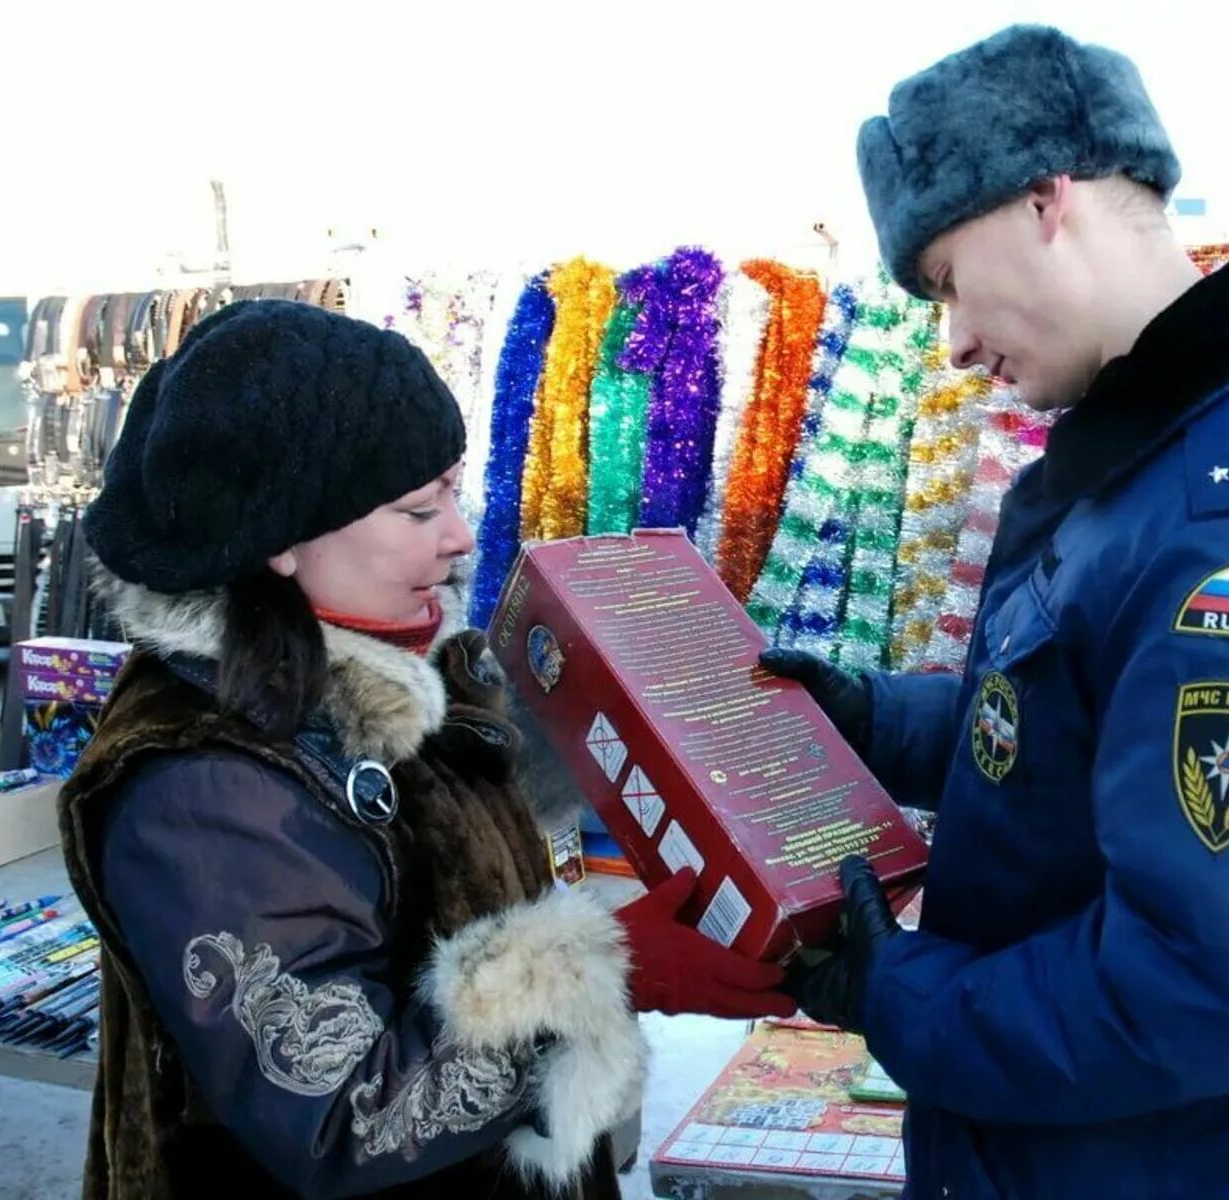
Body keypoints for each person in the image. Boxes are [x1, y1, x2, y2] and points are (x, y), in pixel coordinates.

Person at [765, 24, 1229, 1199]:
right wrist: (874, 721)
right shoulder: (1149, 463)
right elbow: (1088, 742)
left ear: (1044, 198)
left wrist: (900, 995)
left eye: (946, 280)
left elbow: (1207, 983)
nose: (949, 343)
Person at [61, 300, 795, 1200]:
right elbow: (340, 1110)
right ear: (282, 541)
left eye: (452, 490)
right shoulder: (201, 781)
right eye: (419, 508)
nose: (457, 535)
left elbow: (461, 846)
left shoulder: (396, 659)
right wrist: (601, 968)